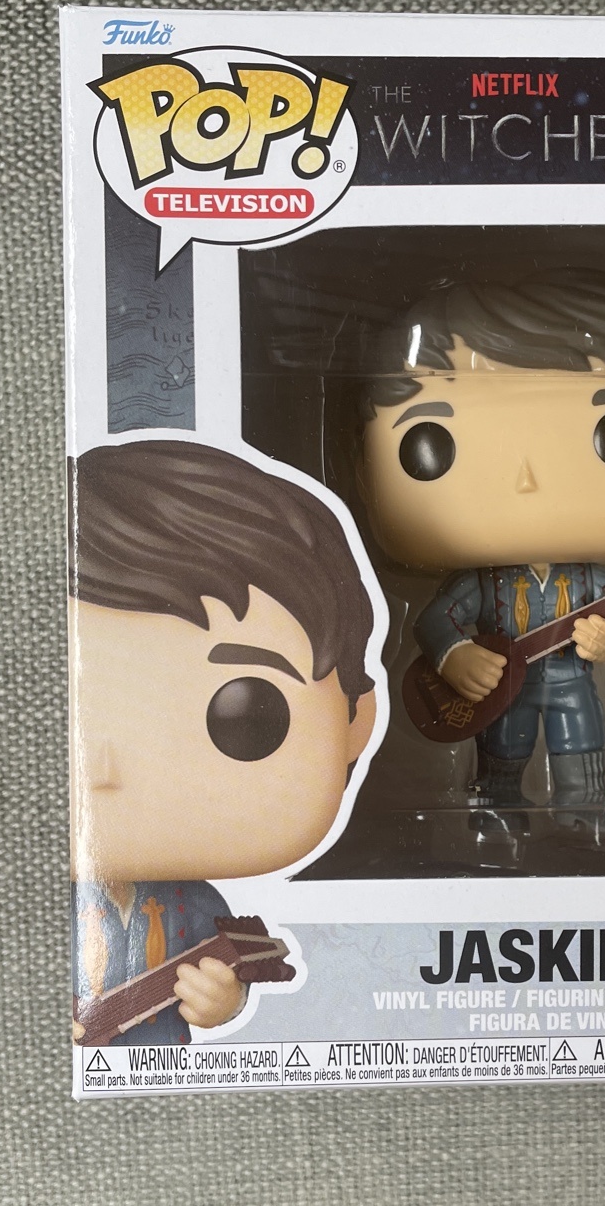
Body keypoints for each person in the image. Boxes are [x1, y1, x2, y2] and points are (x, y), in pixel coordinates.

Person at [360, 270, 605, 827]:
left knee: (582, 755)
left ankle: (583, 815)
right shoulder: (483, 580)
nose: (526, 480)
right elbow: (435, 619)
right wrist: (454, 655)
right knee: (502, 757)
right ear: (365, 474)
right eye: (431, 444)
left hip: (574, 687)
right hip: (503, 691)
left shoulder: (590, 576)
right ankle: (497, 816)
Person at [69, 440, 377, 1043]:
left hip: (166, 1066)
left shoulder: (197, 905)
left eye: (246, 715)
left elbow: (231, 976)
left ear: (355, 722)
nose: (102, 768)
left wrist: (224, 1001)